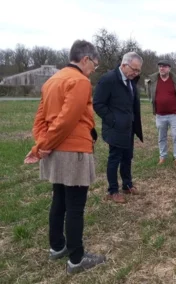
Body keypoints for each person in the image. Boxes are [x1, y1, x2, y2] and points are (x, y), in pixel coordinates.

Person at [24, 40, 105, 274]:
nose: (93, 70)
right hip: (74, 152)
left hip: (55, 150)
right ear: (86, 59)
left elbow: (40, 120)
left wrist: (43, 144)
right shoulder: (80, 81)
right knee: (75, 207)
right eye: (95, 65)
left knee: (59, 200)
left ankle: (57, 246)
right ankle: (76, 259)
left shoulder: (52, 80)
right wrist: (44, 145)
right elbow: (67, 120)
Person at [93, 52, 144, 204]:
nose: (135, 73)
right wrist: (113, 120)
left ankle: (127, 185)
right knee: (114, 159)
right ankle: (113, 190)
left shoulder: (131, 81)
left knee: (127, 157)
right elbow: (98, 104)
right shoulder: (108, 80)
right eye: (134, 69)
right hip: (115, 128)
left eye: (138, 71)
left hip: (128, 128)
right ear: (123, 65)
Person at [146, 60, 176, 166]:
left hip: (174, 114)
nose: (161, 68)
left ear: (169, 68)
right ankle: (162, 156)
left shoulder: (175, 81)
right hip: (159, 114)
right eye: (160, 66)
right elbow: (149, 94)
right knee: (161, 137)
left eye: (164, 66)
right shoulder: (153, 81)